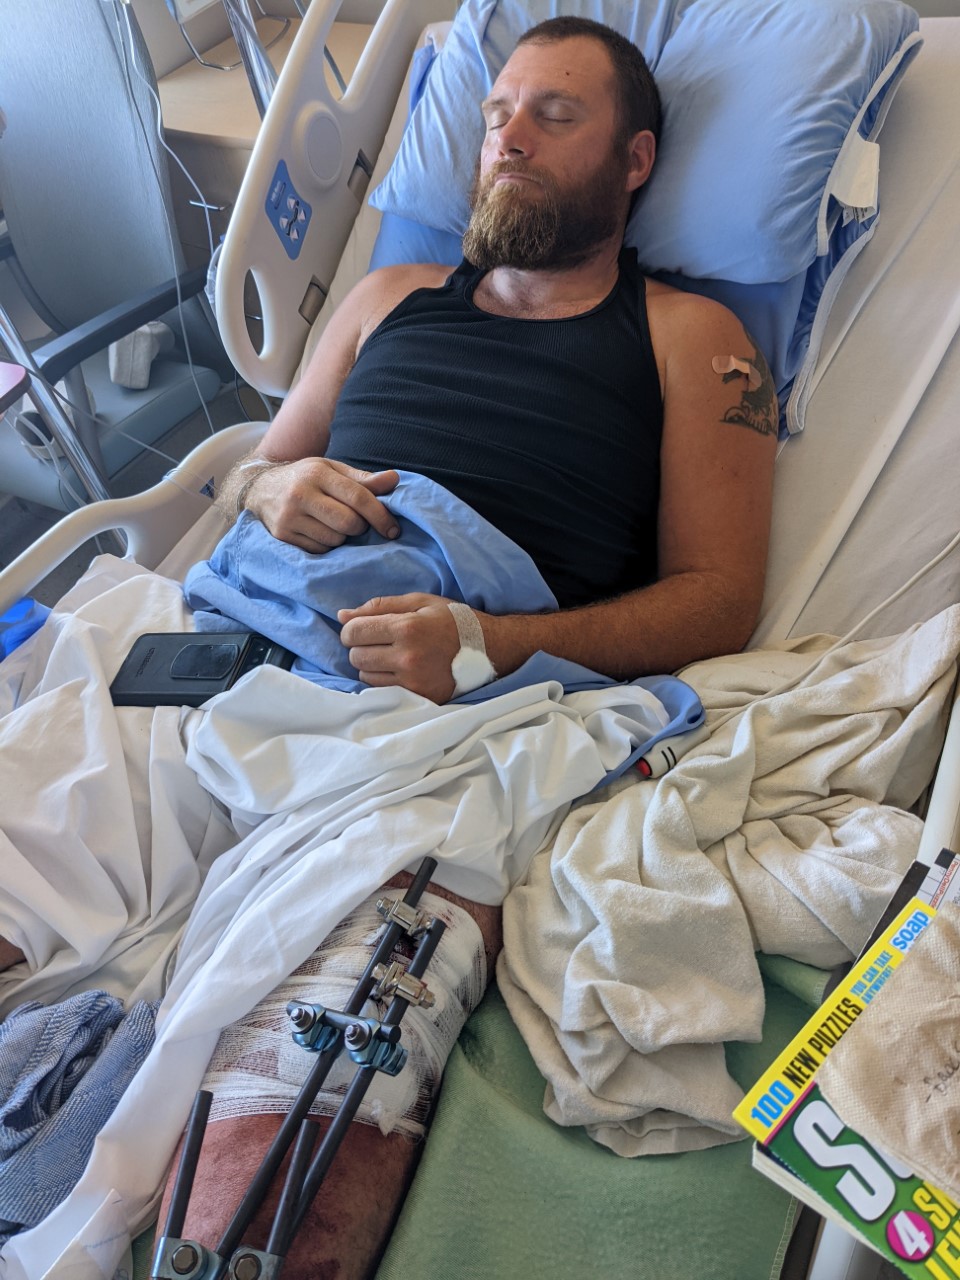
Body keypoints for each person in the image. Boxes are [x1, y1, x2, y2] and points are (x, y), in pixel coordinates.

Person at [164, 15, 777, 1277]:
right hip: (235, 639)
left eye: (556, 113)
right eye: (497, 113)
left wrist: (488, 644)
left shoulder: (693, 336)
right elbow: (254, 472)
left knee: (295, 1129)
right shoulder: (386, 295)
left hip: (441, 720)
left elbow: (720, 600)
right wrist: (274, 489)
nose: (508, 138)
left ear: (635, 159)